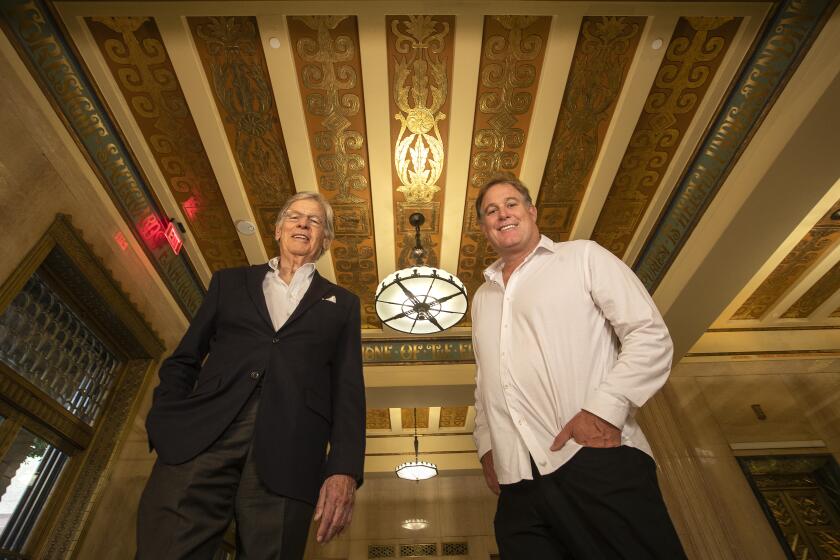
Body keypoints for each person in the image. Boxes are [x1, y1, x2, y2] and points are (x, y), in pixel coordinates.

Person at [137, 192, 365, 559]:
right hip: (202, 437)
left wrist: (344, 470)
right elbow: (184, 359)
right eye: (294, 217)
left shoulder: (343, 304)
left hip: (291, 453)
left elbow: (348, 391)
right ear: (277, 229)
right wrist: (165, 421)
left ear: (326, 240)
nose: (303, 224)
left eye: (315, 221)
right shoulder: (229, 283)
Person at [471, 176, 686, 559]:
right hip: (518, 483)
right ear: (485, 227)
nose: (502, 213)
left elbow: (648, 334)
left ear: (531, 212)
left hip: (593, 457)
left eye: (511, 204)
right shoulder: (482, 297)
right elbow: (485, 381)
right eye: (491, 210)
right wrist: (488, 446)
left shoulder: (584, 256)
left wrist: (605, 410)